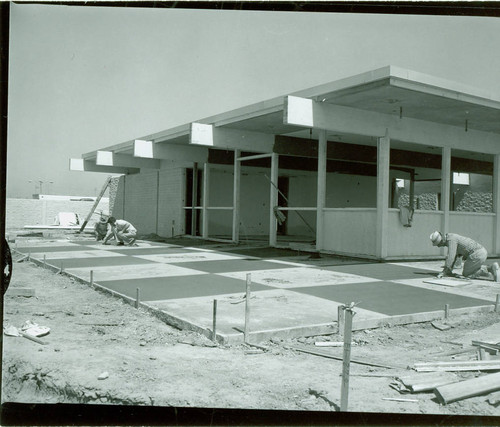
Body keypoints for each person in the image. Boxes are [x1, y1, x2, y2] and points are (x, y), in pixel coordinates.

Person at [429, 231, 500, 282]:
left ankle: (490, 269)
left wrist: (444, 272)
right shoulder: (451, 237)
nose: (439, 246)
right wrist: (448, 271)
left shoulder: (451, 240)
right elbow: (455, 257)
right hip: (481, 252)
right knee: (470, 270)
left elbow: (451, 257)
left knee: (467, 274)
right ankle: (491, 268)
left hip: (476, 254)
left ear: (442, 241)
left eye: (439, 244)